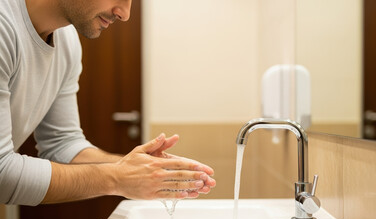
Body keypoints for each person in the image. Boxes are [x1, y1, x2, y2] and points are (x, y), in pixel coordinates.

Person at [0, 0, 216, 206]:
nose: (125, 13)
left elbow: (62, 145)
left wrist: (143, 170)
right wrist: (117, 178)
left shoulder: (68, 43)